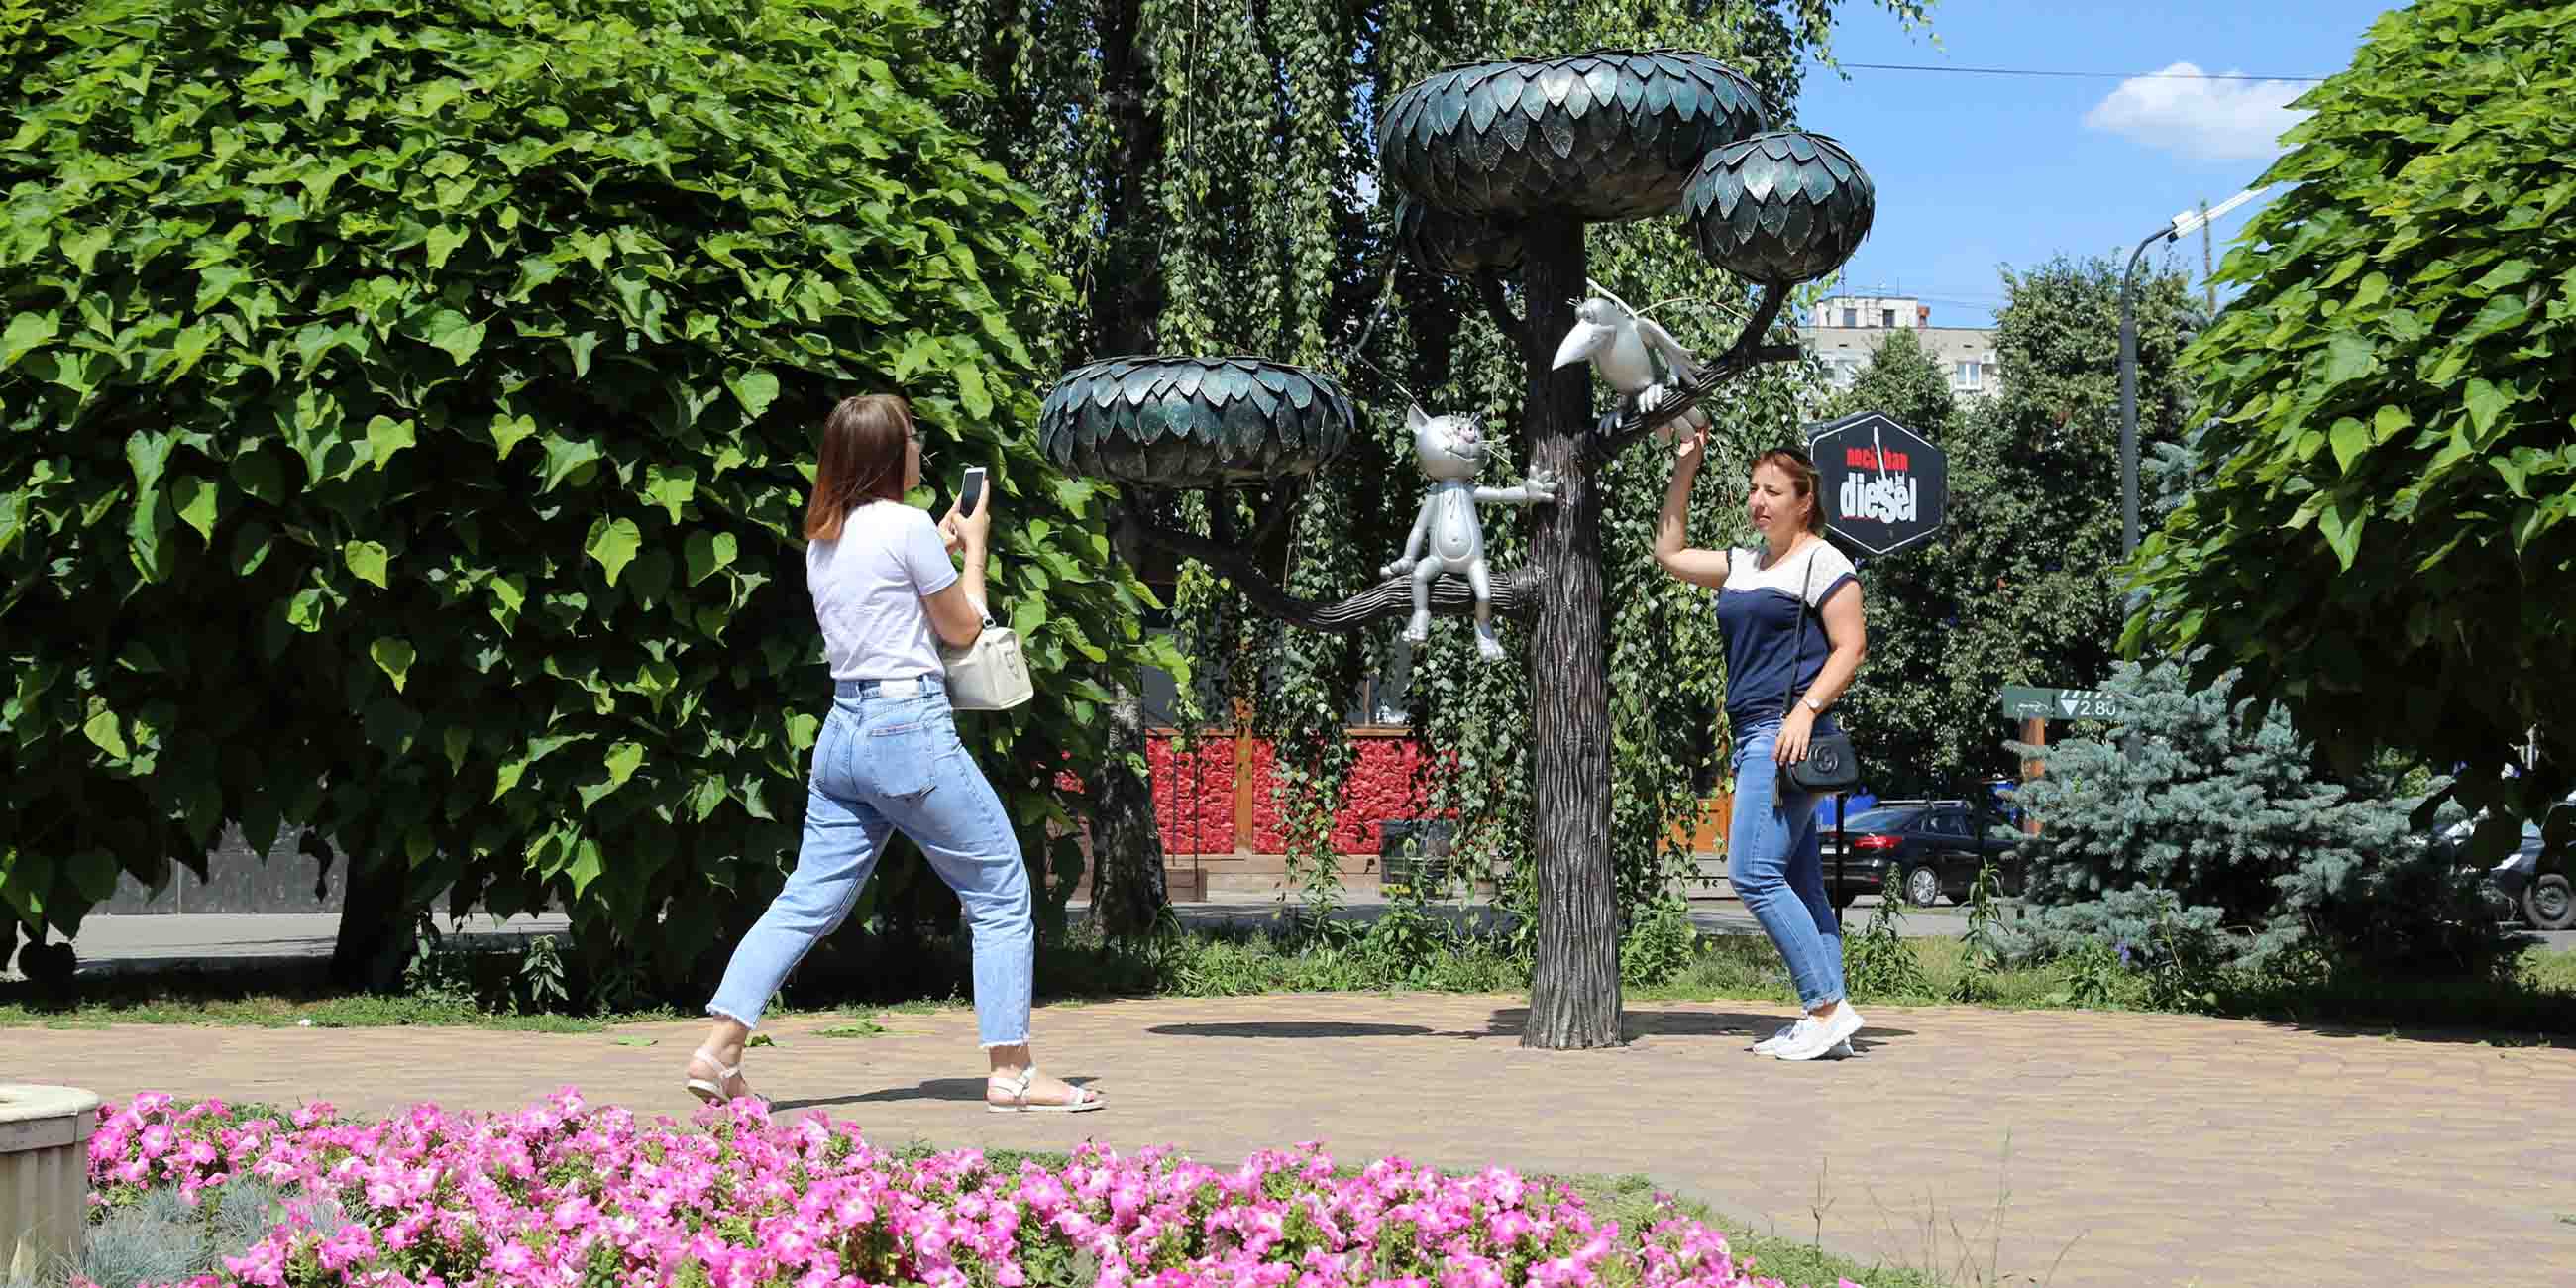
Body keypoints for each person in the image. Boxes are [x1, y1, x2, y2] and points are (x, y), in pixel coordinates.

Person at [684, 393, 1104, 1113]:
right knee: (1001, 891)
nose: (920, 450)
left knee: (807, 899)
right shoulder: (906, 527)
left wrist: (937, 543)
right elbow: (964, 629)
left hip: (843, 735)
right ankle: (1012, 1071)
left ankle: (719, 1051)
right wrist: (974, 547)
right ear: (886, 454)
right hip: (907, 731)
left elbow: (885, 594)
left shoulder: (825, 537)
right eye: (912, 438)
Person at [1653, 433, 1869, 1062]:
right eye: (1753, 490)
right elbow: (1669, 552)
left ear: (1805, 502)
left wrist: (1805, 710)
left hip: (1786, 736)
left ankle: (1825, 1008)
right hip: (1754, 731)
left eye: (1773, 491)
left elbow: (1850, 647)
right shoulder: (1744, 564)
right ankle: (1829, 1024)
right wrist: (1686, 467)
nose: (1758, 501)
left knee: (1752, 872)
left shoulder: (1824, 562)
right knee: (1800, 882)